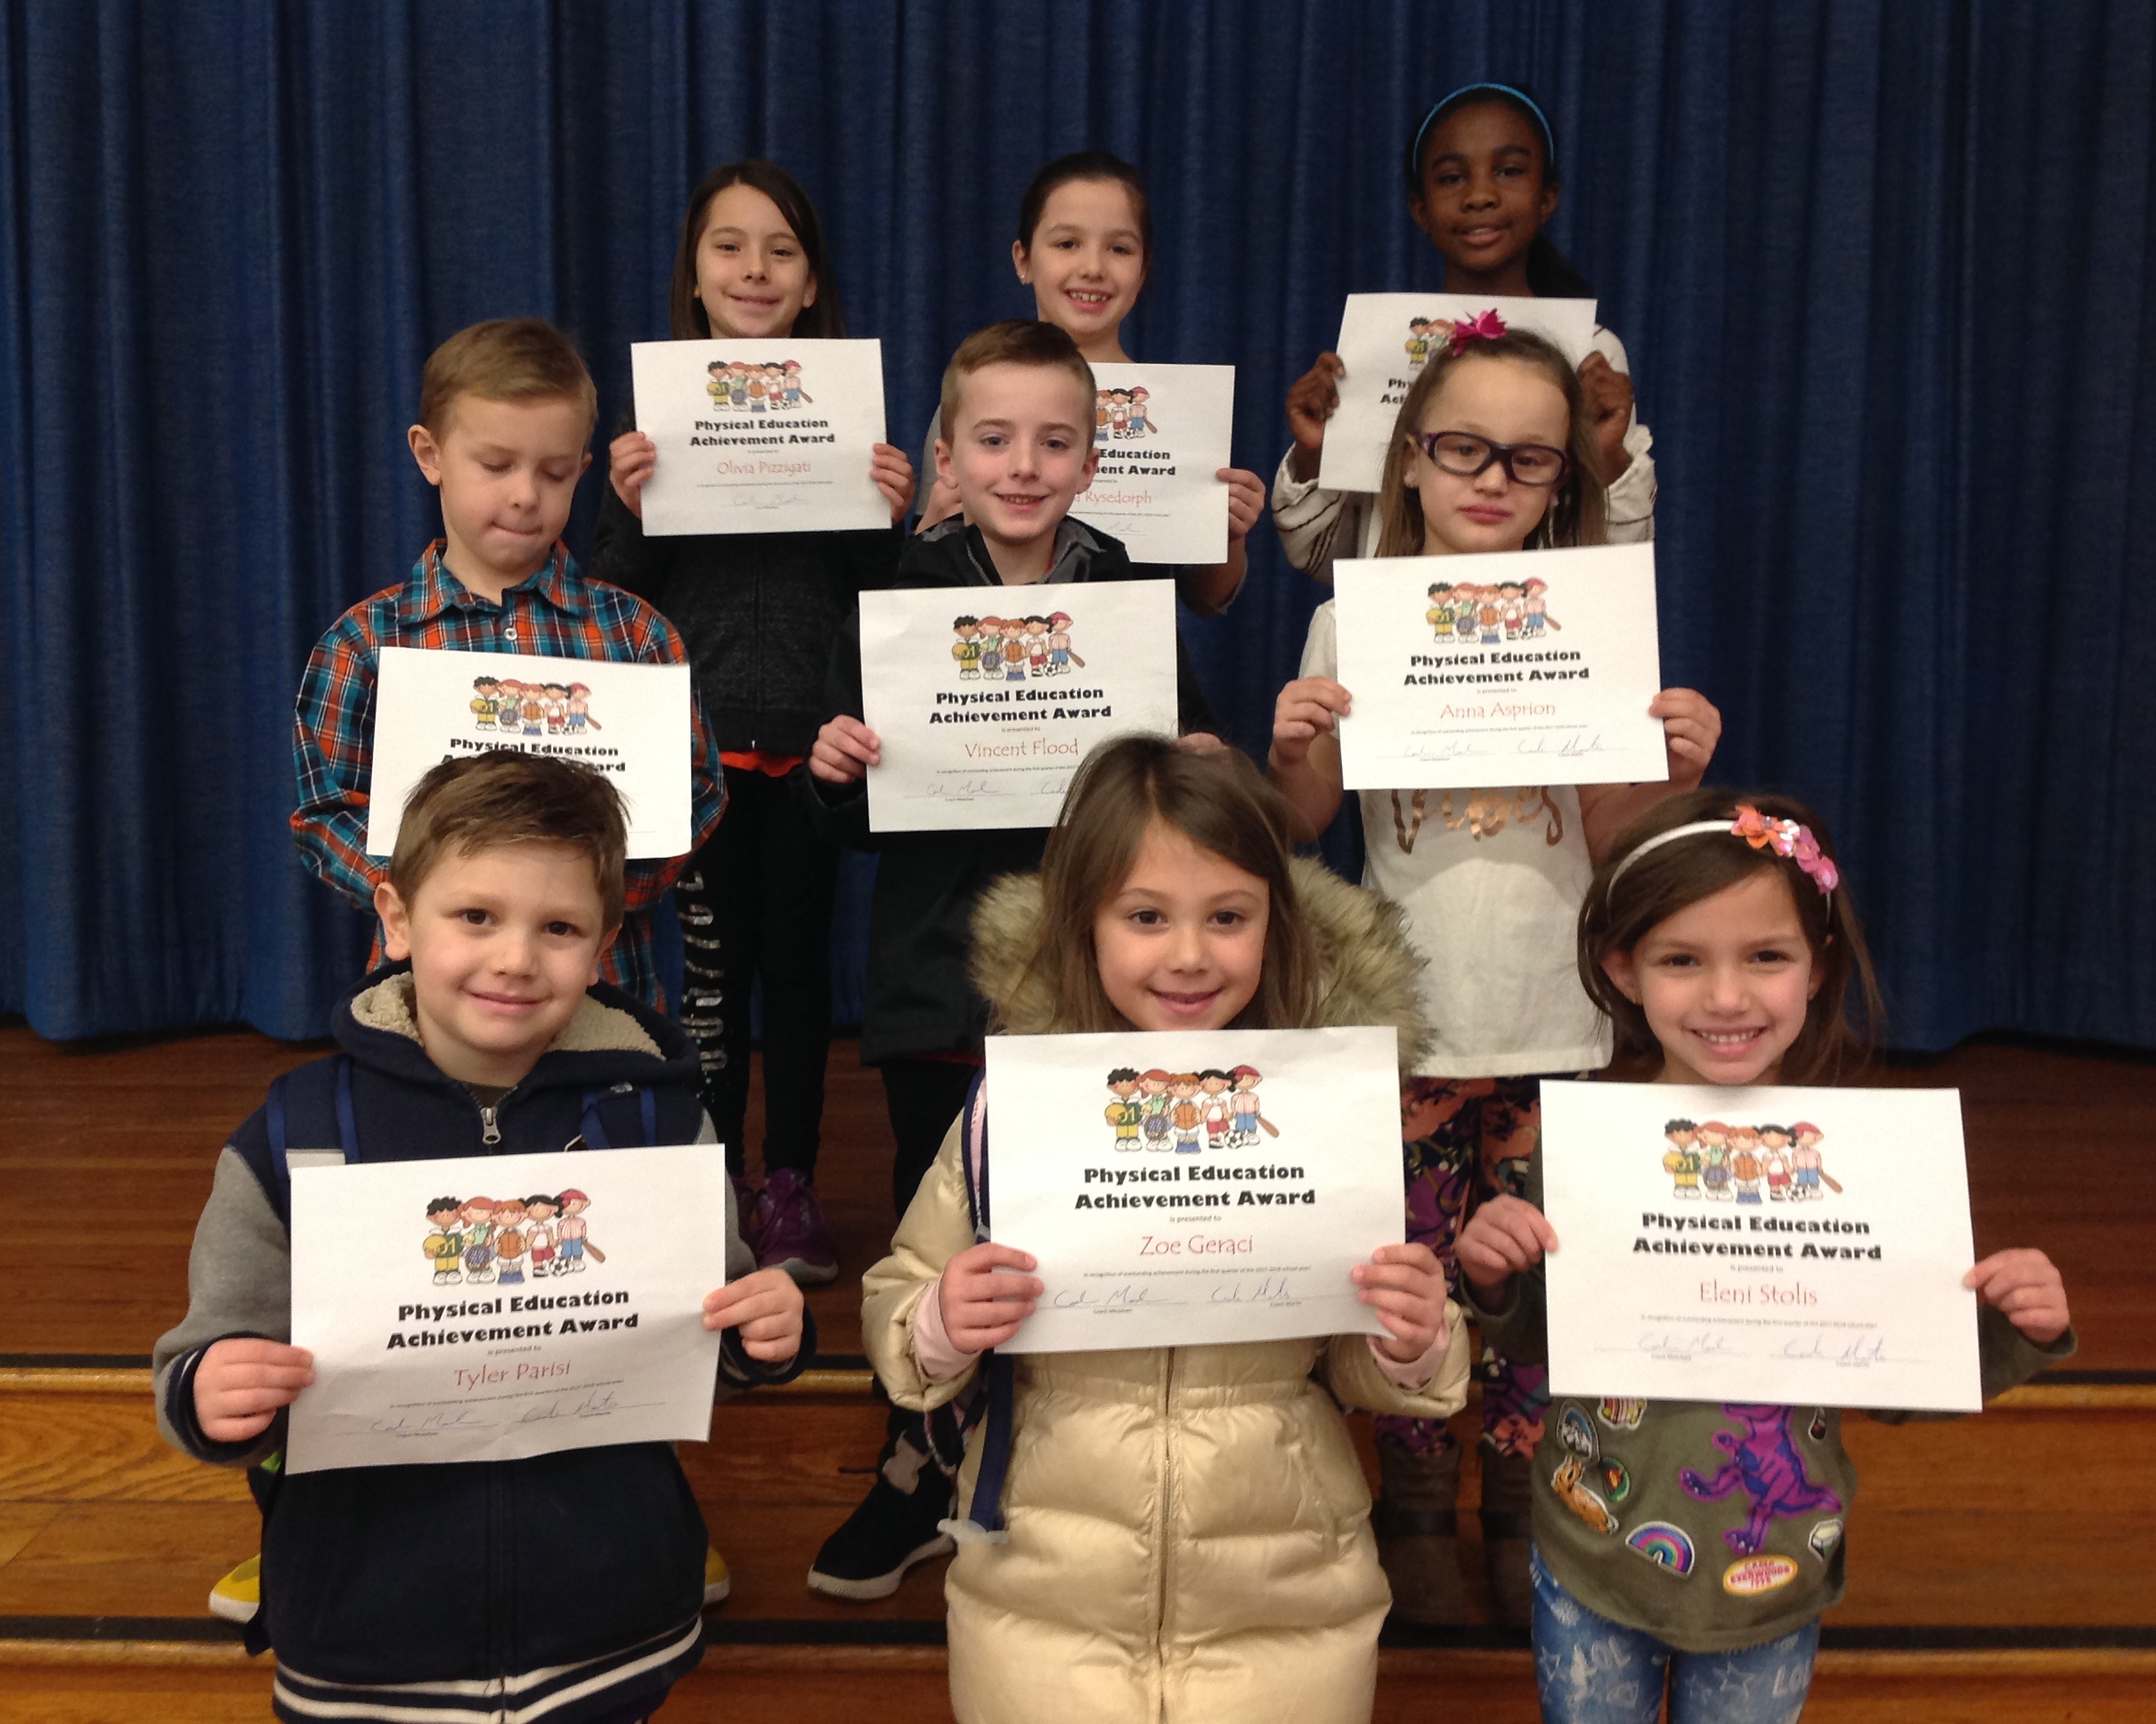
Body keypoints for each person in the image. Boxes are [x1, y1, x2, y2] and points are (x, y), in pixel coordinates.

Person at [155, 751, 811, 1723]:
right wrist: (208, 1389)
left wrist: (764, 1332)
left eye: (558, 928)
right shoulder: (298, 1133)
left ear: (603, 948)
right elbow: (205, 1349)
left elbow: (710, 1331)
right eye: (476, 916)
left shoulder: (661, 1122)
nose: (515, 957)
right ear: (393, 917)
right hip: (367, 1636)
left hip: (609, 1619)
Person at [864, 736, 1469, 1723]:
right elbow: (899, 1303)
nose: (1189, 954)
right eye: (1146, 916)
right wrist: (937, 1318)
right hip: (1042, 1607)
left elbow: (1357, 1362)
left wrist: (1413, 1340)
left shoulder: (1326, 1117)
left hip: (1287, 1604)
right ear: (1083, 924)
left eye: (1228, 917)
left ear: (1276, 925)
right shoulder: (1005, 1114)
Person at [1266, 325, 1721, 1625]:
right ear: (1409, 460)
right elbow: (1300, 824)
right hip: (1408, 1029)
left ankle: (1525, 1503)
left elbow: (1626, 835)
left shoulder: (1591, 623)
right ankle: (1415, 1505)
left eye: (1529, 460)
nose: (1492, 478)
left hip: (1556, 1026)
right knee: (1414, 1276)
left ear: (1563, 485)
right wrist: (1296, 744)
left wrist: (1676, 771)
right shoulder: (1344, 619)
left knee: (1535, 1275)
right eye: (1462, 447)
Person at [1458, 789, 2074, 1721]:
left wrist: (2006, 1327)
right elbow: (1554, 1333)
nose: (1726, 997)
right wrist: (1496, 1276)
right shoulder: (1590, 1148)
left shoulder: (1865, 1168)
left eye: (1767, 956)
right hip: (1593, 1552)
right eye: (1681, 960)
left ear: (1817, 967)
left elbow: (1900, 1382)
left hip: (1773, 1569)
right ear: (1624, 970)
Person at [803, 320, 1227, 1601]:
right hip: (943, 981)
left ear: (1096, 458)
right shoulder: (899, 593)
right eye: (995, 439)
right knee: (947, 1230)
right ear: (949, 453)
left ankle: (1056, 1453)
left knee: (1084, 1224)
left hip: (1098, 988)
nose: (1025, 464)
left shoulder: (1126, 599)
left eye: (1056, 440)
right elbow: (854, 813)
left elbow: (1182, 780)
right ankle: (916, 1462)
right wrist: (834, 775)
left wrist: (1199, 768)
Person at [592, 161, 915, 1284]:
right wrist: (629, 508)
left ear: (812, 277)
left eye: (780, 249)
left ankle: (791, 1185)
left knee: (798, 977)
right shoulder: (661, 430)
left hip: (813, 756)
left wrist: (891, 517)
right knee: (715, 983)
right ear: (694, 273)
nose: (755, 269)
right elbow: (611, 599)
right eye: (730, 247)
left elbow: (884, 599)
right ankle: (717, 1181)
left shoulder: (846, 422)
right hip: (701, 755)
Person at [291, 317, 726, 1013]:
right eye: (496, 466)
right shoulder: (364, 644)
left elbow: (697, 793)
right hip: (427, 999)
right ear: (430, 455)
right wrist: (435, 899)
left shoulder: (638, 637)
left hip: (601, 994)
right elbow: (325, 813)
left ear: (583, 471)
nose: (526, 494)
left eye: (554, 473)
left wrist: (588, 896)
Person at [1275, 81, 1658, 579]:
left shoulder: (1590, 354)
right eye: (1453, 178)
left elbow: (1617, 572)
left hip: (1537, 647)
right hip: (1395, 640)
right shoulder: (1379, 349)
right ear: (1420, 208)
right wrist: (1314, 454)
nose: (1480, 195)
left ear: (1548, 196)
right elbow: (1322, 560)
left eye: (1510, 171)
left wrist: (1608, 456)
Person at [913, 150, 1265, 614]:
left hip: (1128, 665)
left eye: (1119, 249)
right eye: (1067, 244)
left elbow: (1207, 598)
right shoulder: (971, 402)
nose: (1094, 268)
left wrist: (1229, 533)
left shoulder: (1177, 414)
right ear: (1023, 259)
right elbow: (918, 586)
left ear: (1143, 270)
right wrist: (936, 523)